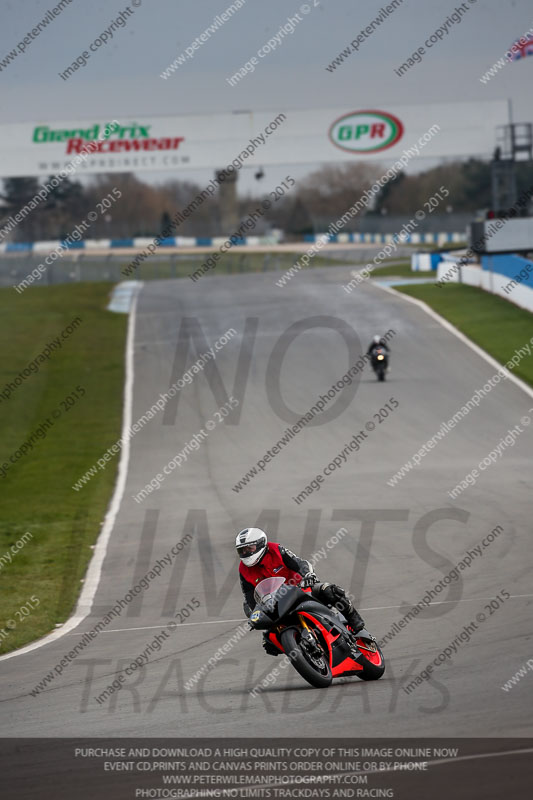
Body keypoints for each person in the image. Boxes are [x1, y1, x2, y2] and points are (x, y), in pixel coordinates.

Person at [236, 527, 365, 656]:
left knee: (329, 590)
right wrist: (255, 613)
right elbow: (249, 596)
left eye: (249, 548)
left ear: (260, 544)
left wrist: (308, 575)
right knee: (268, 642)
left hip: (300, 588)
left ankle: (354, 619)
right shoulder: (243, 569)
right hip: (276, 603)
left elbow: (300, 563)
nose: (246, 553)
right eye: (242, 550)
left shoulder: (276, 550)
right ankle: (305, 652)